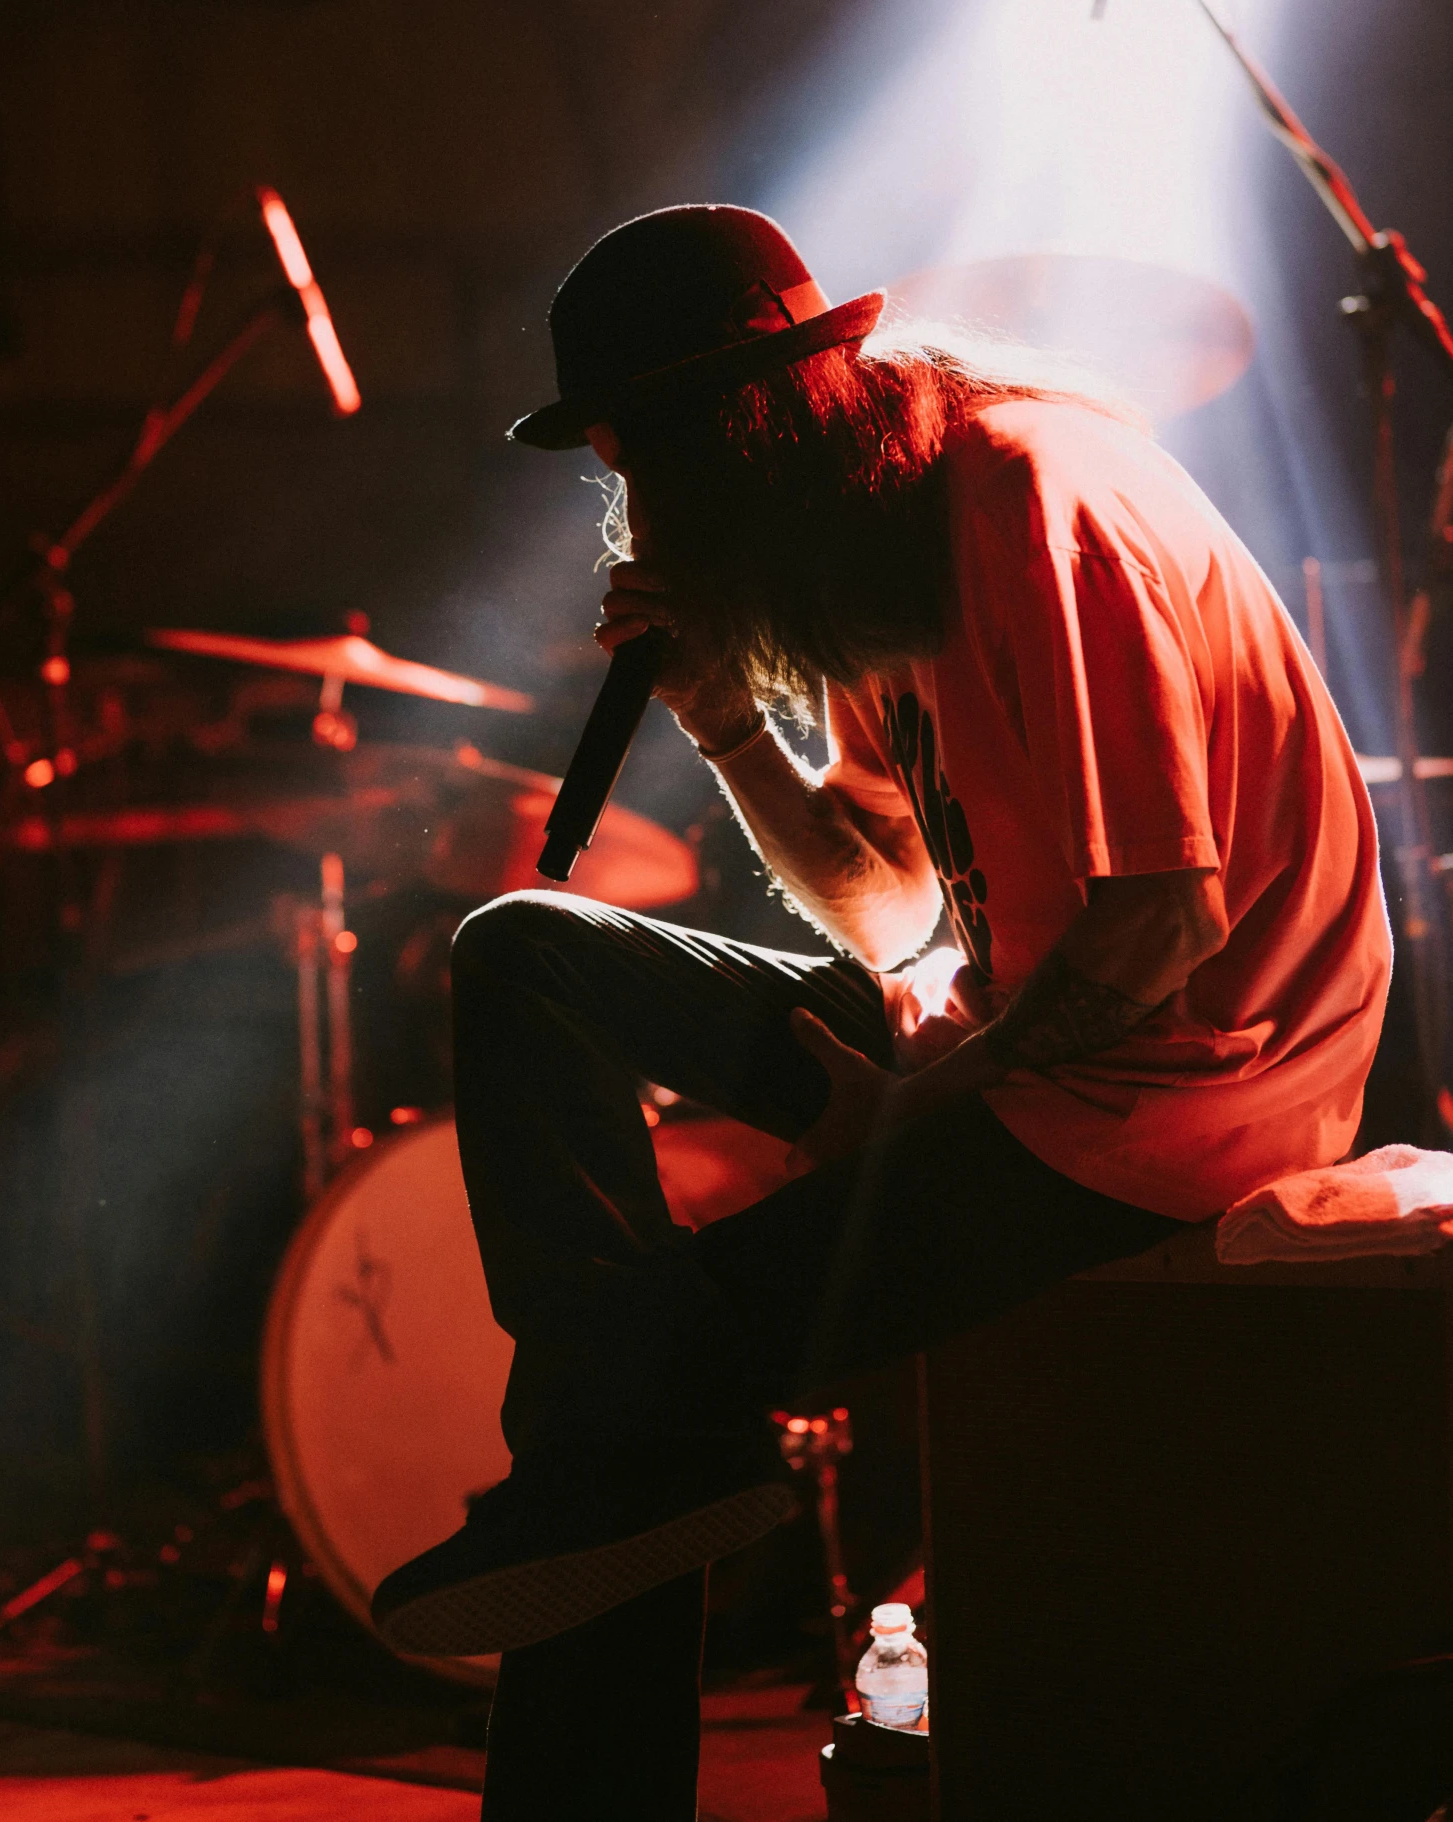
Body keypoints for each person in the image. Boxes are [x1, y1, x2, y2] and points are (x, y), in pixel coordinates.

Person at [371, 204, 1391, 1819]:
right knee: (523, 950)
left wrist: (925, 1100)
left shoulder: (1032, 504)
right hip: (1006, 1047)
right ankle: (609, 1467)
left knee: (628, 1415)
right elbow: (890, 905)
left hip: (1172, 1100)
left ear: (739, 423)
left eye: (644, 462)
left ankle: (599, 1506)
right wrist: (721, 716)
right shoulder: (874, 527)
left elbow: (1159, 924)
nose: (636, 510)